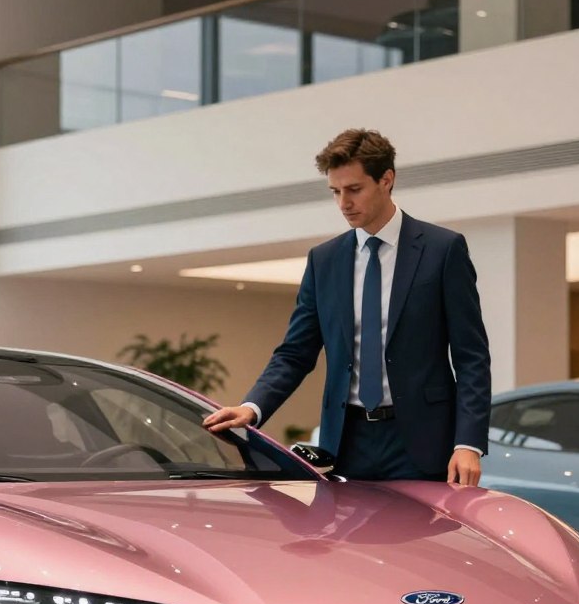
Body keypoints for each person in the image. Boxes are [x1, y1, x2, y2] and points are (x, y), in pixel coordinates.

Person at [203, 128, 491, 485]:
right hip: (346, 442)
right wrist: (252, 406)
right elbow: (295, 352)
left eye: (354, 189)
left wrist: (468, 443)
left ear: (387, 180)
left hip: (422, 441)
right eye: (335, 192)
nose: (343, 203)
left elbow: (471, 357)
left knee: (420, 542)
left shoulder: (442, 250)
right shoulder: (324, 260)